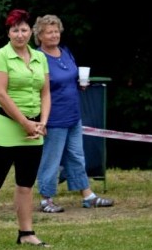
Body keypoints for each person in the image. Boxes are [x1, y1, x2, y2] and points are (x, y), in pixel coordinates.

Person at [0, 9, 51, 250]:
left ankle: (26, 232)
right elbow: (0, 95)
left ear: (31, 32)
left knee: (26, 183)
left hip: (34, 129)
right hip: (7, 127)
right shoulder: (0, 56)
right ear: (8, 33)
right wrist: (25, 123)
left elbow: (45, 92)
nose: (20, 34)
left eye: (24, 29)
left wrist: (42, 122)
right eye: (15, 30)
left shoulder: (40, 57)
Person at [33, 14, 113, 213]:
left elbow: (71, 78)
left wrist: (80, 84)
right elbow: (37, 86)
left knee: (77, 156)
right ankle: (46, 198)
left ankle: (88, 196)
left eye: (56, 31)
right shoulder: (37, 57)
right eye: (49, 32)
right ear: (40, 36)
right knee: (51, 159)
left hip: (73, 115)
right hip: (53, 117)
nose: (54, 35)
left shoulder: (65, 52)